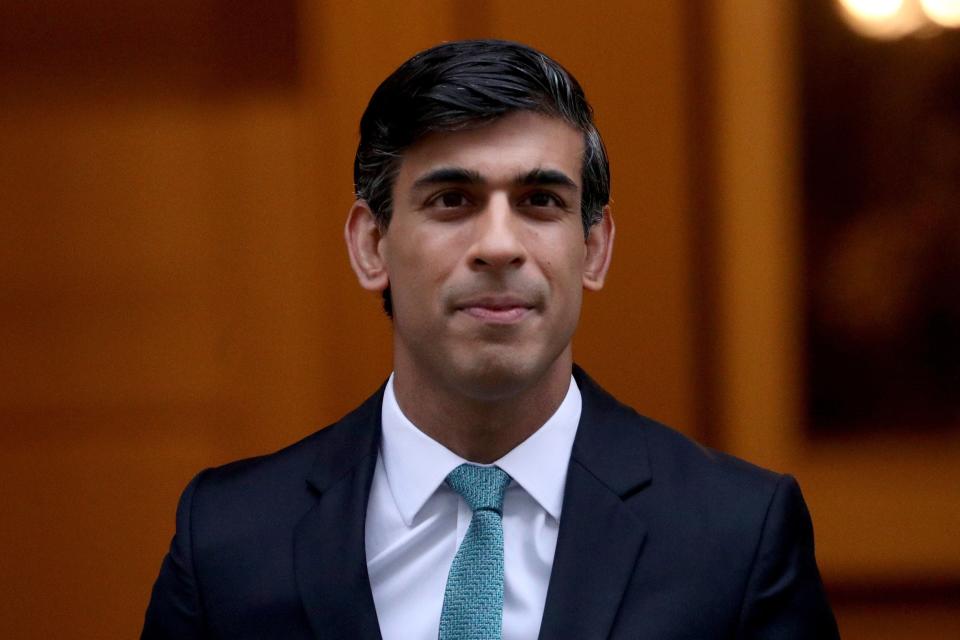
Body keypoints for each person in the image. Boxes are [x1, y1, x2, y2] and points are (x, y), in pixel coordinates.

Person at [142, 39, 840, 639]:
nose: (500, 245)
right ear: (371, 245)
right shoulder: (230, 541)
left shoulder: (736, 535)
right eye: (452, 201)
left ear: (593, 248)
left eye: (540, 202)